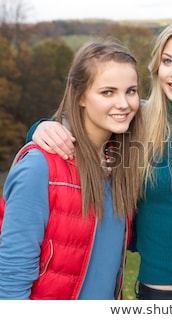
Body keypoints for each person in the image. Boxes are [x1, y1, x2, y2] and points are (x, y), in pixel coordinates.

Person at [25, 18, 172, 300]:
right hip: (158, 292)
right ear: (157, 66)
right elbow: (79, 123)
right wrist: (40, 127)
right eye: (168, 61)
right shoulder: (132, 119)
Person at [0, 40, 144, 299]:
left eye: (131, 91)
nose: (123, 103)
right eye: (107, 92)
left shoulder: (121, 166)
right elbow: (11, 276)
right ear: (80, 97)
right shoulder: (40, 167)